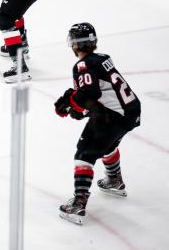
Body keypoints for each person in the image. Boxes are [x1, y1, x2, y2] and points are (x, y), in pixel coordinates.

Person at [55, 22, 141, 225]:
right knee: (107, 144)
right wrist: (81, 108)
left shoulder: (83, 65)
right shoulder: (102, 59)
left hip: (112, 115)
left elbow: (90, 93)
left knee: (85, 152)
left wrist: (74, 105)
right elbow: (102, 92)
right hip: (131, 110)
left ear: (74, 44)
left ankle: (79, 203)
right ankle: (114, 180)